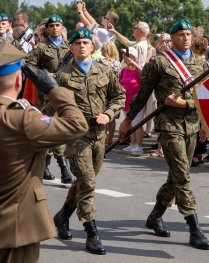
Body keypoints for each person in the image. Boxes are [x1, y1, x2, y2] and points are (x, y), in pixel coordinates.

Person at [0, 42, 88, 262]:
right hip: (15, 231)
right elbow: (77, 125)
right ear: (19, 80)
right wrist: (53, 89)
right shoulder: (24, 118)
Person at [118, 19, 209, 250]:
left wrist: (201, 120)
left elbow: (207, 98)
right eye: (181, 34)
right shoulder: (159, 63)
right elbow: (142, 94)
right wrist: (128, 119)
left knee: (177, 175)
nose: (186, 37)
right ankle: (194, 229)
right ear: (172, 38)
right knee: (181, 175)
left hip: (191, 124)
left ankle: (155, 215)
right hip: (168, 125)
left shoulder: (201, 62)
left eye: (189, 34)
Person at [52, 28, 125, 255]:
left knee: (85, 181)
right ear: (71, 48)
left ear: (93, 47)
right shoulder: (62, 76)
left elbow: (119, 96)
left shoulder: (104, 70)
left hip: (99, 135)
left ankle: (63, 216)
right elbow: (50, 109)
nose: (82, 46)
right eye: (77, 43)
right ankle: (91, 233)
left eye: (86, 42)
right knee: (88, 183)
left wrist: (109, 114)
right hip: (76, 137)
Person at [25, 14, 74, 183]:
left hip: (67, 94)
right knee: (53, 128)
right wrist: (45, 75)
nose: (54, 28)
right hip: (48, 95)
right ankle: (63, 168)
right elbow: (28, 66)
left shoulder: (70, 47)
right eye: (51, 25)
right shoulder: (41, 47)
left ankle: (44, 165)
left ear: (62, 28)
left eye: (58, 25)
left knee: (56, 130)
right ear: (47, 29)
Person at [97, 42, 122, 148]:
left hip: (102, 91)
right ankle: (110, 139)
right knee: (111, 117)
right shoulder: (117, 63)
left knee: (102, 116)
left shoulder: (99, 61)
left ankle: (103, 138)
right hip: (113, 91)